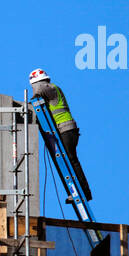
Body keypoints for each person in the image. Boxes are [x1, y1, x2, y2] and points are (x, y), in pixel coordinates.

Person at [30, 68, 93, 200]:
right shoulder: (49, 91)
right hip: (65, 130)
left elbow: (41, 89)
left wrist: (35, 97)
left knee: (71, 159)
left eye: (34, 86)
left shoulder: (50, 88)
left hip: (66, 129)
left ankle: (84, 193)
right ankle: (75, 191)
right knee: (67, 160)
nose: (34, 88)